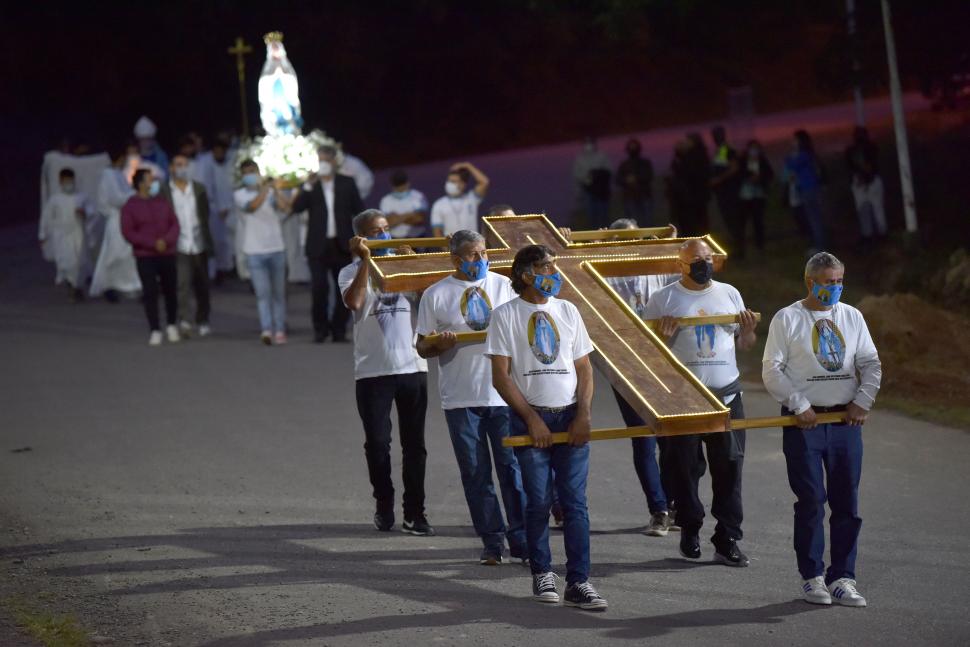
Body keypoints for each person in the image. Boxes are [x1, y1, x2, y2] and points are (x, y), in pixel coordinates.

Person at [486, 244, 607, 611]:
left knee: (574, 503)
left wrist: (583, 413)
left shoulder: (568, 310)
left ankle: (579, 581)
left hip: (570, 416)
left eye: (554, 266)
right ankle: (542, 573)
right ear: (526, 274)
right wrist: (532, 419)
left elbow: (584, 369)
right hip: (529, 419)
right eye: (547, 267)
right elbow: (501, 377)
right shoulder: (505, 315)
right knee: (538, 500)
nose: (555, 273)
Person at [762, 252, 881, 607]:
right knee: (812, 500)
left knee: (848, 502)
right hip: (805, 425)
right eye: (828, 282)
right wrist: (799, 404)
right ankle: (812, 576)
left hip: (845, 422)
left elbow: (870, 362)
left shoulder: (852, 317)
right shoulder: (788, 318)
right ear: (810, 282)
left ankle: (843, 577)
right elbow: (772, 369)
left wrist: (864, 399)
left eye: (839, 281)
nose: (835, 288)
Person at [643, 239, 758, 567]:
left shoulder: (729, 293)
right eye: (696, 260)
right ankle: (690, 527)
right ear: (681, 264)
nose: (703, 265)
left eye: (708, 259)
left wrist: (748, 333)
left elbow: (744, 342)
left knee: (730, 468)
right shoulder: (663, 299)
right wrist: (663, 338)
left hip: (727, 396)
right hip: (683, 399)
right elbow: (648, 356)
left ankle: (727, 538)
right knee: (684, 467)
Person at [416, 230, 527, 564]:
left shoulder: (504, 286)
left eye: (482, 254)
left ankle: (522, 541)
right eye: (472, 255)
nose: (480, 260)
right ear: (455, 259)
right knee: (476, 475)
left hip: (504, 396)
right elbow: (421, 346)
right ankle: (492, 541)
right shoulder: (435, 295)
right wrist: (439, 344)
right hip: (461, 399)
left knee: (512, 471)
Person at [339, 209, 433, 536]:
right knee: (378, 444)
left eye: (387, 229)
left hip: (412, 368)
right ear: (361, 238)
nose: (385, 236)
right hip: (372, 372)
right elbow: (355, 302)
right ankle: (384, 501)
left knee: (415, 445)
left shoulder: (404, 270)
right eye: (375, 231)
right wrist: (366, 261)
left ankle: (415, 513)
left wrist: (416, 265)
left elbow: (431, 299)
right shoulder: (349, 272)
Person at [596, 218, 680, 536]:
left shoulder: (657, 270)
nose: (627, 246)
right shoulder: (599, 276)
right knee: (643, 438)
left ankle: (676, 503)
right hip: (625, 368)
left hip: (663, 364)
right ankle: (658, 510)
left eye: (634, 239)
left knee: (673, 439)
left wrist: (669, 244)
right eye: (619, 240)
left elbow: (683, 273)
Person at [290, 145, 364, 343]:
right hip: (317, 246)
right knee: (319, 288)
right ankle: (320, 329)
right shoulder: (311, 186)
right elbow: (296, 208)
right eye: (319, 160)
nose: (323, 164)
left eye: (326, 160)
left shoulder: (347, 183)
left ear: (334, 162)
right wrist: (306, 186)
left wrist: (364, 237)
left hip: (341, 244)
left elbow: (359, 210)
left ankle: (338, 328)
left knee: (344, 289)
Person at [233, 159, 291, 345]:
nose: (251, 175)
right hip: (254, 251)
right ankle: (267, 329)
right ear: (242, 177)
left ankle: (280, 329)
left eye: (253, 171)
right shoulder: (239, 195)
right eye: (247, 172)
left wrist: (276, 189)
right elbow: (252, 207)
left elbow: (285, 207)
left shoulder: (270, 193)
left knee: (279, 293)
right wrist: (266, 190)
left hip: (276, 248)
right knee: (263, 294)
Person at [120, 169, 180, 346]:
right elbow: (128, 232)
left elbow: (174, 224)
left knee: (170, 290)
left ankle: (171, 324)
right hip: (145, 255)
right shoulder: (130, 206)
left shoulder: (162, 202)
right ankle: (155, 328)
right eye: (150, 180)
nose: (153, 183)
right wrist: (152, 243)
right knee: (150, 291)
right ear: (140, 184)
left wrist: (166, 241)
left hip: (167, 253)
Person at [161, 154, 214, 337]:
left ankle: (203, 319)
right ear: (171, 168)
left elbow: (205, 215)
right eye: (178, 164)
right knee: (182, 284)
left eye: (185, 164)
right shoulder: (165, 191)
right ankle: (184, 319)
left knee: (202, 285)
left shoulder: (198, 189)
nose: (182, 168)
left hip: (199, 243)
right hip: (179, 243)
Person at [91, 146, 141, 301]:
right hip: (116, 220)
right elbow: (116, 198)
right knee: (113, 254)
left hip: (125, 218)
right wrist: (135, 193)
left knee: (127, 254)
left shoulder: (117, 174)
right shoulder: (108, 175)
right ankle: (109, 286)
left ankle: (131, 285)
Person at [38, 168, 91, 301]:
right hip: (61, 235)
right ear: (60, 181)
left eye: (70, 180)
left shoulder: (81, 197)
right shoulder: (55, 199)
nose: (69, 183)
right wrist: (42, 234)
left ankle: (77, 287)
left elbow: (92, 211)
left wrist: (84, 213)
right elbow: (46, 218)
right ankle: (72, 287)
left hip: (78, 234)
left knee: (79, 262)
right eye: (66, 181)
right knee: (67, 262)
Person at [195, 134, 237, 281]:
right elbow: (206, 187)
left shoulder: (230, 161)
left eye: (222, 151)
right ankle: (216, 271)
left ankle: (230, 268)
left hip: (232, 207)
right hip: (213, 209)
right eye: (217, 151)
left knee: (232, 240)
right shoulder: (205, 162)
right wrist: (218, 207)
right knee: (215, 241)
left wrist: (228, 206)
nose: (219, 154)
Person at [783, 130, 827, 254]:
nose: (792, 142)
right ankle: (819, 244)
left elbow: (790, 164)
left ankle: (819, 245)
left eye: (794, 140)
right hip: (809, 188)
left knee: (814, 218)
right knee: (814, 218)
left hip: (809, 189)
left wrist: (790, 156)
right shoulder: (809, 154)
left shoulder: (803, 155)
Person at [844, 127, 886, 248]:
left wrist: (861, 177)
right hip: (868, 181)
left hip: (863, 182)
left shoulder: (854, 150)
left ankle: (869, 235)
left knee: (865, 209)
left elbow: (853, 167)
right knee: (875, 209)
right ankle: (878, 234)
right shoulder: (871, 148)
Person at [736, 139, 775, 258]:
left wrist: (760, 178)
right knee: (742, 223)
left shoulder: (762, 161)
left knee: (758, 221)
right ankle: (742, 248)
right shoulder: (743, 161)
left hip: (759, 196)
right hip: (745, 197)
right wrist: (749, 177)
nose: (754, 151)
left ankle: (760, 246)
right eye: (752, 148)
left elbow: (769, 174)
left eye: (756, 149)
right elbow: (739, 174)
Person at [430, 162, 490, 237]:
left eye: (454, 182)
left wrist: (468, 166)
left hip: (473, 244)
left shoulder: (471, 198)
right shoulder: (439, 204)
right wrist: (445, 248)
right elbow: (437, 232)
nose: (450, 184)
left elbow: (484, 182)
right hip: (452, 245)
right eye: (449, 181)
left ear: (463, 184)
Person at [710, 126, 744, 256]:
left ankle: (739, 248)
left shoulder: (727, 150)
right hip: (724, 192)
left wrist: (719, 179)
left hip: (731, 192)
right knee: (730, 220)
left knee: (734, 220)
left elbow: (734, 168)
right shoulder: (721, 151)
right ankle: (737, 246)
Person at [572, 137, 611, 230]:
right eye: (586, 143)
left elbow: (609, 171)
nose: (588, 146)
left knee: (603, 215)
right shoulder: (580, 159)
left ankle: (605, 234)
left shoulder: (601, 156)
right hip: (588, 192)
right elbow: (577, 175)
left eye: (590, 143)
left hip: (602, 192)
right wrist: (579, 190)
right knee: (591, 216)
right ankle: (594, 234)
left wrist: (598, 175)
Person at [379, 170, 428, 240]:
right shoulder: (386, 200)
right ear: (393, 186)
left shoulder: (418, 196)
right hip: (396, 240)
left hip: (417, 239)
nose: (400, 189)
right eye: (398, 186)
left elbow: (419, 220)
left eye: (402, 185)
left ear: (407, 183)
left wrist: (397, 218)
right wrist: (410, 214)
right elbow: (388, 223)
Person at [616, 138, 654, 226]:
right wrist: (626, 180)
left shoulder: (645, 163)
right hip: (630, 197)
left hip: (644, 195)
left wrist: (636, 178)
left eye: (634, 147)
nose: (633, 149)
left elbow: (649, 176)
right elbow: (618, 179)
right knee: (631, 225)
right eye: (631, 147)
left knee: (647, 222)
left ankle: (648, 239)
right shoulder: (624, 164)